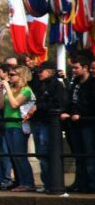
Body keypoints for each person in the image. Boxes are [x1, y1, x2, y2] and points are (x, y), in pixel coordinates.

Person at [26, 61, 65, 192]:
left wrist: (38, 106)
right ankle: (47, 183)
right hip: (38, 122)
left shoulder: (56, 85)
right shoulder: (41, 84)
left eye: (41, 71)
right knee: (40, 154)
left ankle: (51, 183)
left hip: (47, 123)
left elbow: (57, 104)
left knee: (45, 153)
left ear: (50, 71)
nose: (38, 73)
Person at [0, 65, 35, 191]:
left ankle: (28, 183)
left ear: (21, 76)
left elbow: (14, 104)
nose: (10, 77)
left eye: (13, 75)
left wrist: (7, 88)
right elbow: (1, 106)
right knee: (14, 156)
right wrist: (2, 91)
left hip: (19, 126)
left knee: (20, 156)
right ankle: (21, 182)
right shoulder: (11, 89)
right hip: (8, 125)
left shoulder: (26, 90)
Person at [62, 52, 95, 193]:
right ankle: (80, 183)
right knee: (78, 155)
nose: (73, 71)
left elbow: (91, 104)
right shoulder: (74, 82)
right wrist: (68, 113)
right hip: (74, 124)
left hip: (87, 123)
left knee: (89, 154)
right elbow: (71, 100)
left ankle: (92, 184)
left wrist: (80, 114)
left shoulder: (92, 83)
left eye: (76, 68)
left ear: (85, 68)